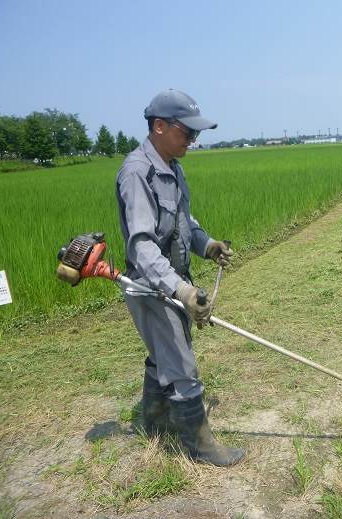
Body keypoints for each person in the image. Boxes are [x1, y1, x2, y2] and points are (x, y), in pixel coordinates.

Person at [115, 89, 244, 467]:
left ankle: (154, 423)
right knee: (183, 366)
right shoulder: (137, 172)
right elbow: (142, 247)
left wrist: (209, 246)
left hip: (172, 281)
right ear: (159, 127)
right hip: (150, 286)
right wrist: (182, 289)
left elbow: (185, 224)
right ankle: (201, 446)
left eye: (194, 134)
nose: (192, 140)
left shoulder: (174, 167)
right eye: (186, 132)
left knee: (164, 353)